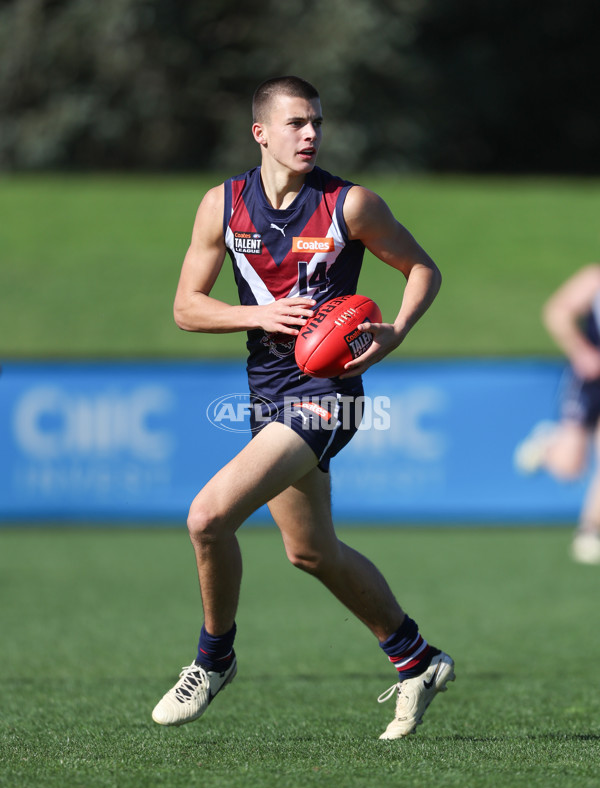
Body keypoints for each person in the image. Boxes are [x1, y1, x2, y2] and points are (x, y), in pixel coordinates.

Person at [152, 76, 454, 739]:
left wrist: (395, 330)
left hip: (328, 395)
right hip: (267, 393)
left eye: (316, 122)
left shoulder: (350, 205)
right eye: (295, 123)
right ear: (261, 132)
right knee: (311, 551)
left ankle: (214, 658)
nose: (311, 133)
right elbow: (185, 308)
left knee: (206, 517)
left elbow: (422, 268)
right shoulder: (223, 205)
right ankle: (417, 658)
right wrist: (258, 313)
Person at [514, 264, 600, 564]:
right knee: (570, 469)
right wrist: (580, 350)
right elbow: (557, 311)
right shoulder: (595, 279)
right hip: (591, 381)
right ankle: (549, 442)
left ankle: (589, 532)